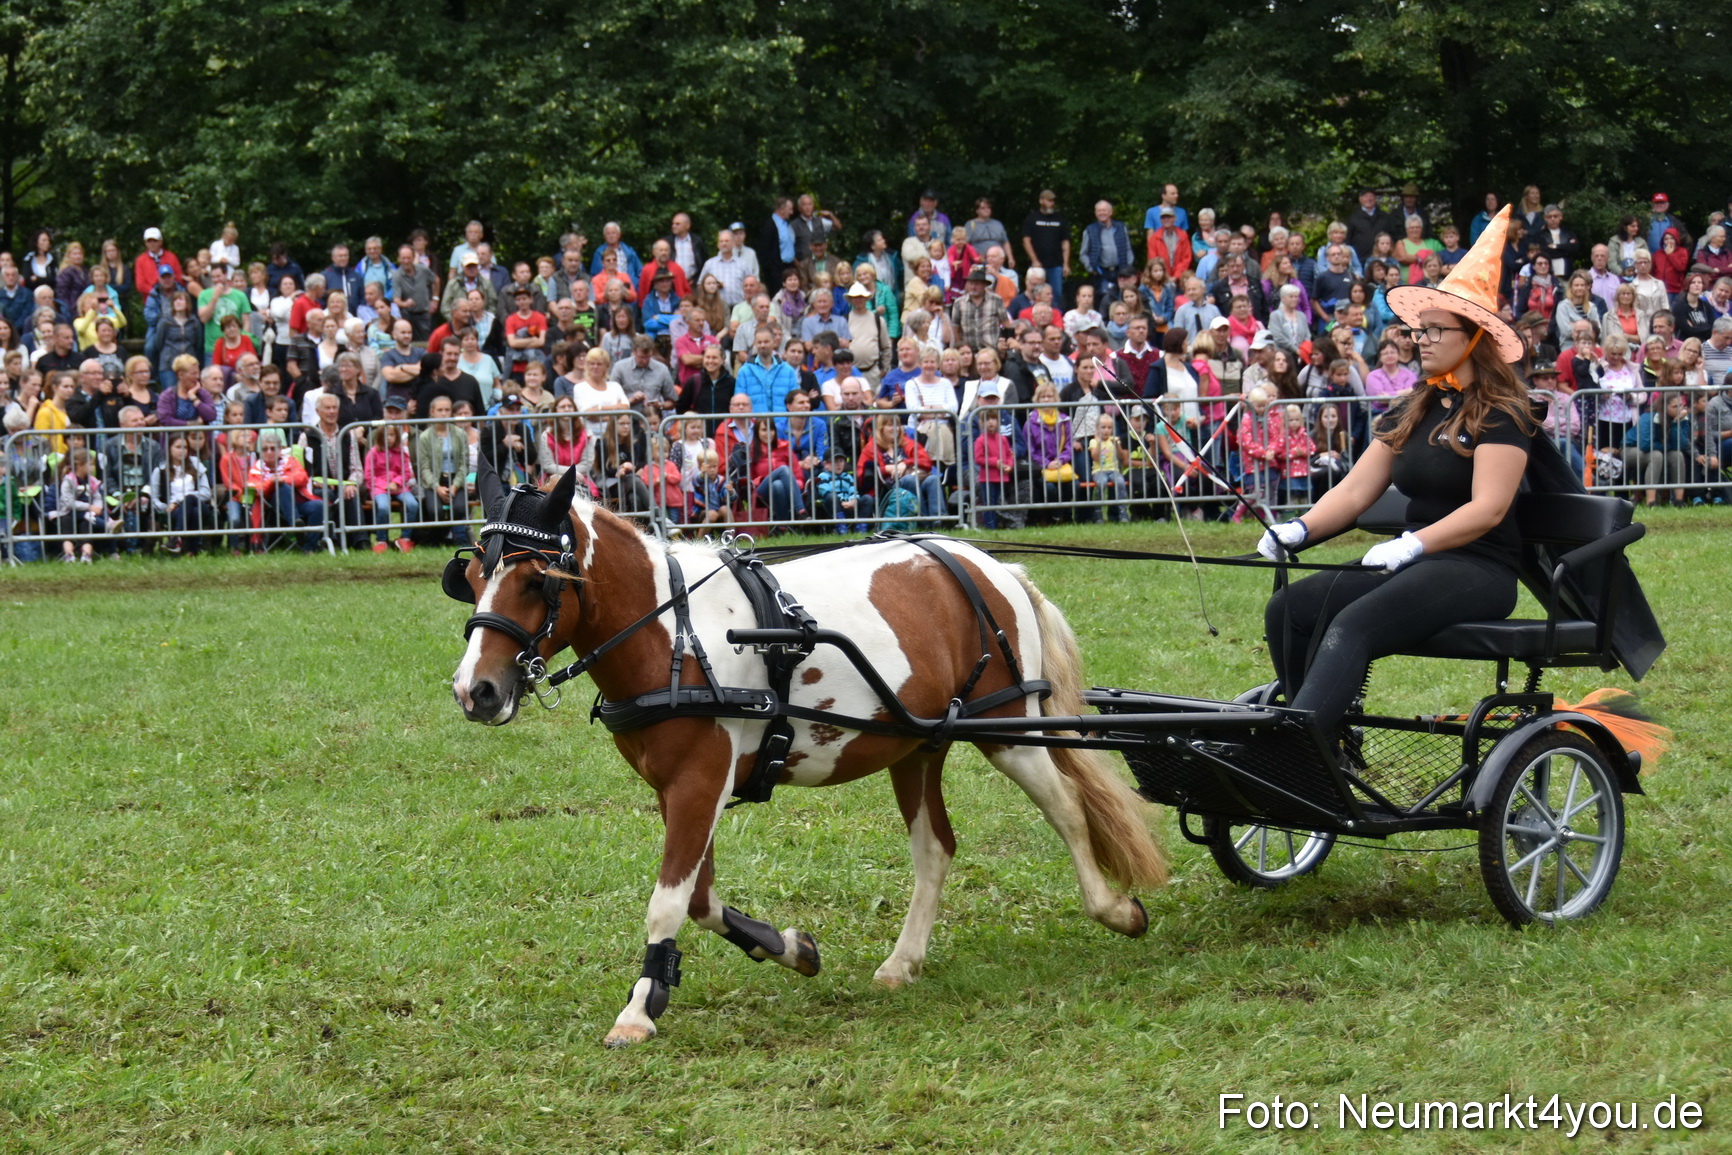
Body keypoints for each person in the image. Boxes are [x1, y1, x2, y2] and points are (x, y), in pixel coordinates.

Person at [1258, 205, 1537, 753]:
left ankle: (1300, 749)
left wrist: (1413, 543)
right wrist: (1298, 529)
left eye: (1435, 330)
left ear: (1474, 337)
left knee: (1353, 624)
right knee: (1288, 609)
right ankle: (1325, 735)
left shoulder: (1503, 412)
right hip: (1415, 561)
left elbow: (1489, 509)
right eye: (1419, 329)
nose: (1420, 340)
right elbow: (1356, 489)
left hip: (1478, 568)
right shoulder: (1415, 406)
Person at [365, 420, 418, 552]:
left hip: (399, 487)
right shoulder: (373, 453)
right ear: (380, 437)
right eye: (386, 435)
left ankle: (405, 538)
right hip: (379, 488)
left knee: (413, 504)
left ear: (397, 437)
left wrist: (396, 483)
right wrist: (385, 485)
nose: (389, 438)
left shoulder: (401, 453)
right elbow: (369, 475)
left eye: (392, 435)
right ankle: (381, 540)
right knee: (383, 507)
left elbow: (406, 472)